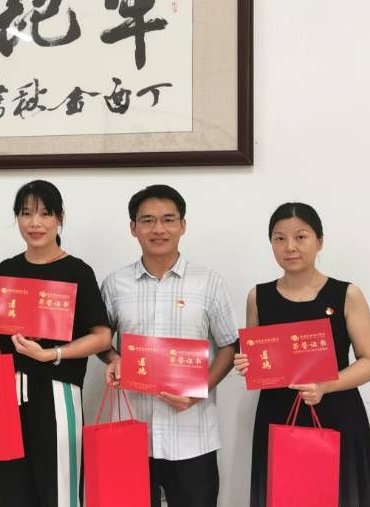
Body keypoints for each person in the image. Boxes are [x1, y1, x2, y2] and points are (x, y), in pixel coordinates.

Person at [0, 180, 111, 507]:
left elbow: (102, 336)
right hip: (6, 394)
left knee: (59, 492)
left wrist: (52, 354)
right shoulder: (6, 270)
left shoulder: (77, 271)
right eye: (26, 213)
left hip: (58, 392)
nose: (35, 223)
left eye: (45, 214)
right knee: (11, 491)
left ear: (60, 218)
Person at [233, 202, 370, 506]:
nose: (290, 247)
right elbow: (259, 361)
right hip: (277, 414)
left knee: (337, 495)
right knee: (283, 494)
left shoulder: (346, 294)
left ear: (319, 241)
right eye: (280, 238)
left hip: (337, 412)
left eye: (301, 237)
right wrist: (247, 363)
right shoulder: (258, 297)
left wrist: (325, 385)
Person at [99, 184, 238, 507]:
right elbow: (100, 338)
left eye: (168, 219)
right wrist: (115, 358)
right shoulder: (115, 284)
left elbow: (230, 346)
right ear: (133, 228)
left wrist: (199, 390)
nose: (158, 229)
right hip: (132, 432)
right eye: (147, 220)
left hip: (193, 436)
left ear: (183, 225)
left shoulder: (209, 282)